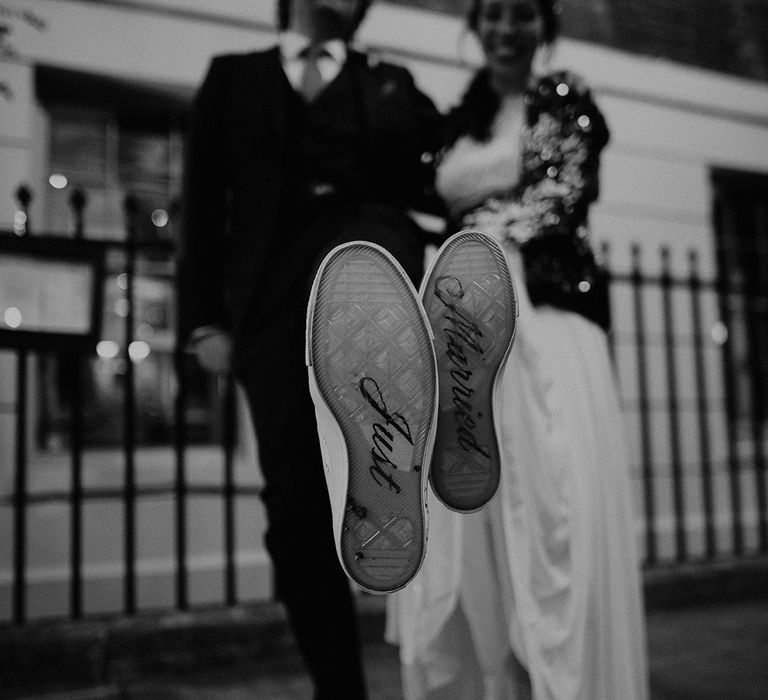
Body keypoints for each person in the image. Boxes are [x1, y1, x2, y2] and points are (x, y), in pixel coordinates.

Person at [177, 1, 442, 697]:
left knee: (365, 254)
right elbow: (203, 204)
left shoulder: (391, 83)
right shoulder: (232, 78)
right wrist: (204, 321)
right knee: (293, 513)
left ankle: (386, 449)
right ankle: (338, 687)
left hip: (368, 254)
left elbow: (448, 167)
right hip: (269, 301)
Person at [386, 0, 650, 698]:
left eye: (522, 14)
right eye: (493, 14)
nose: (506, 30)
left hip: (544, 318)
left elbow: (560, 195)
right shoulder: (455, 121)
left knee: (548, 496)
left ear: (544, 27)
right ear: (477, 26)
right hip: (459, 324)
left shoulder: (565, 101)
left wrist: (474, 251)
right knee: (469, 510)